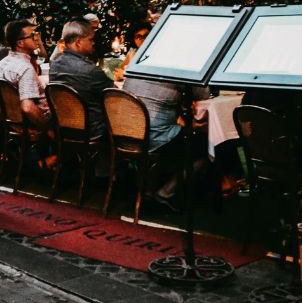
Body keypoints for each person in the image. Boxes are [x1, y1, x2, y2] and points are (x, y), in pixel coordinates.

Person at [122, 74, 210, 210]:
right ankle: (165, 193)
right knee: (207, 146)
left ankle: (148, 191)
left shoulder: (138, 65)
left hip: (123, 133)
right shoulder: (174, 69)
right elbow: (203, 93)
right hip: (153, 136)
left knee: (179, 138)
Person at [49, 19, 114, 139]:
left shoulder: (54, 65)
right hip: (92, 131)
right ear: (78, 42)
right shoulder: (91, 71)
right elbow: (113, 97)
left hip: (64, 126)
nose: (93, 43)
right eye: (90, 39)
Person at [0, 20, 52, 130]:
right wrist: (48, 129)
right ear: (20, 43)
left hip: (16, 123)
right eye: (32, 35)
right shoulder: (25, 68)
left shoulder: (1, 64)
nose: (36, 38)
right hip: (39, 121)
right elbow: (28, 108)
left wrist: (12, 120)